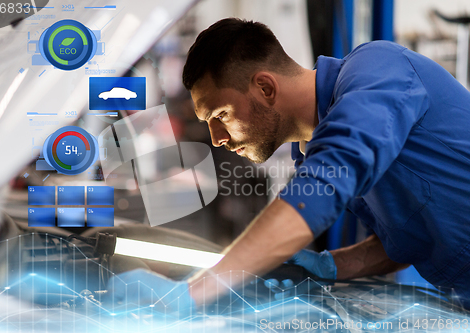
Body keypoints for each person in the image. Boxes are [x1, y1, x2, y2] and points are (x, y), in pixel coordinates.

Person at [109, 18, 470, 311]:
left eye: (221, 114)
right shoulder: (311, 151)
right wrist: (332, 266)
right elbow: (406, 241)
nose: (216, 137)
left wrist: (195, 292)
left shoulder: (379, 71)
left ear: (265, 88)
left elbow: (327, 182)